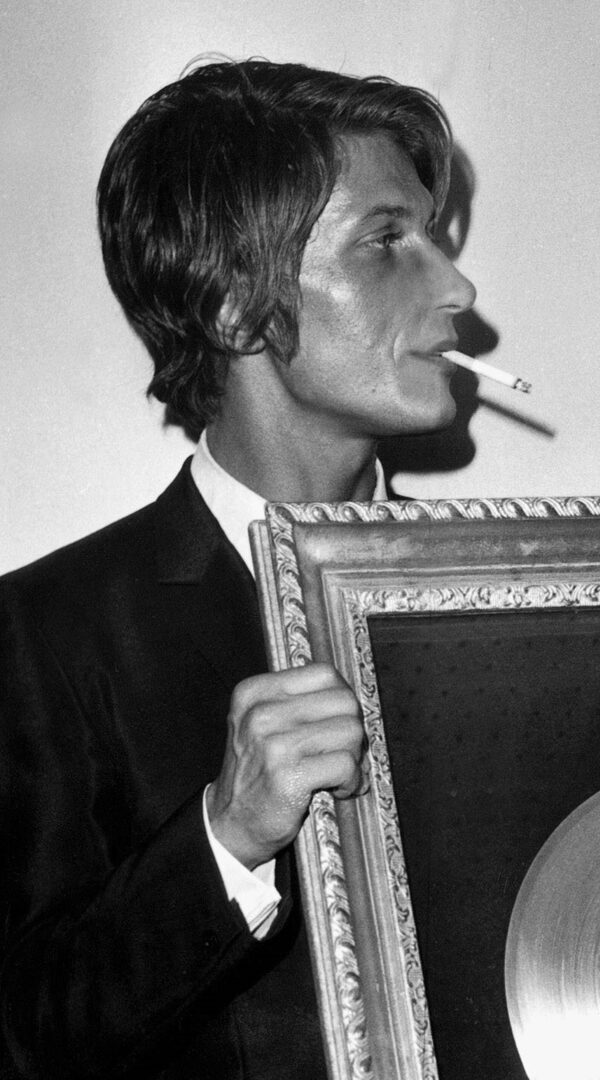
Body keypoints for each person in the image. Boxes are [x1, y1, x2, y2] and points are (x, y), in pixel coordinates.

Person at [0, 59, 476, 1078]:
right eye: (387, 241)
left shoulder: (496, 597)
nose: (457, 288)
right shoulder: (47, 632)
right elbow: (24, 1037)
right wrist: (226, 837)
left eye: (434, 236)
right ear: (233, 307)